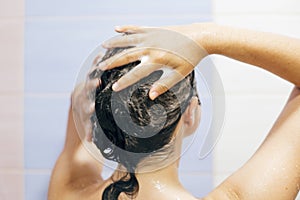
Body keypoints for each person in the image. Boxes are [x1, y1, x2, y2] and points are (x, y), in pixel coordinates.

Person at [48, 23, 300, 200]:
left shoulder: (68, 191)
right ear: (191, 114)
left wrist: (81, 109)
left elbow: (78, 123)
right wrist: (205, 37)